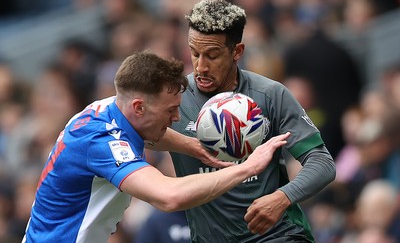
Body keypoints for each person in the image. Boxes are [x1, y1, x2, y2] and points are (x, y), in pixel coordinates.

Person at [21, 51, 290, 243]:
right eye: (171, 110)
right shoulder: (102, 143)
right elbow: (168, 196)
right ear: (139, 106)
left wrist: (195, 147)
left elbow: (146, 133)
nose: (176, 118)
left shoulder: (106, 110)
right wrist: (247, 168)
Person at [152, 0, 336, 242]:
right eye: (194, 53)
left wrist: (283, 197)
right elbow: (140, 138)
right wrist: (189, 145)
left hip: (276, 235)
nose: (201, 67)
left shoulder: (270, 95)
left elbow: (322, 163)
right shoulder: (175, 97)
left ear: (237, 51)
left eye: (212, 55)